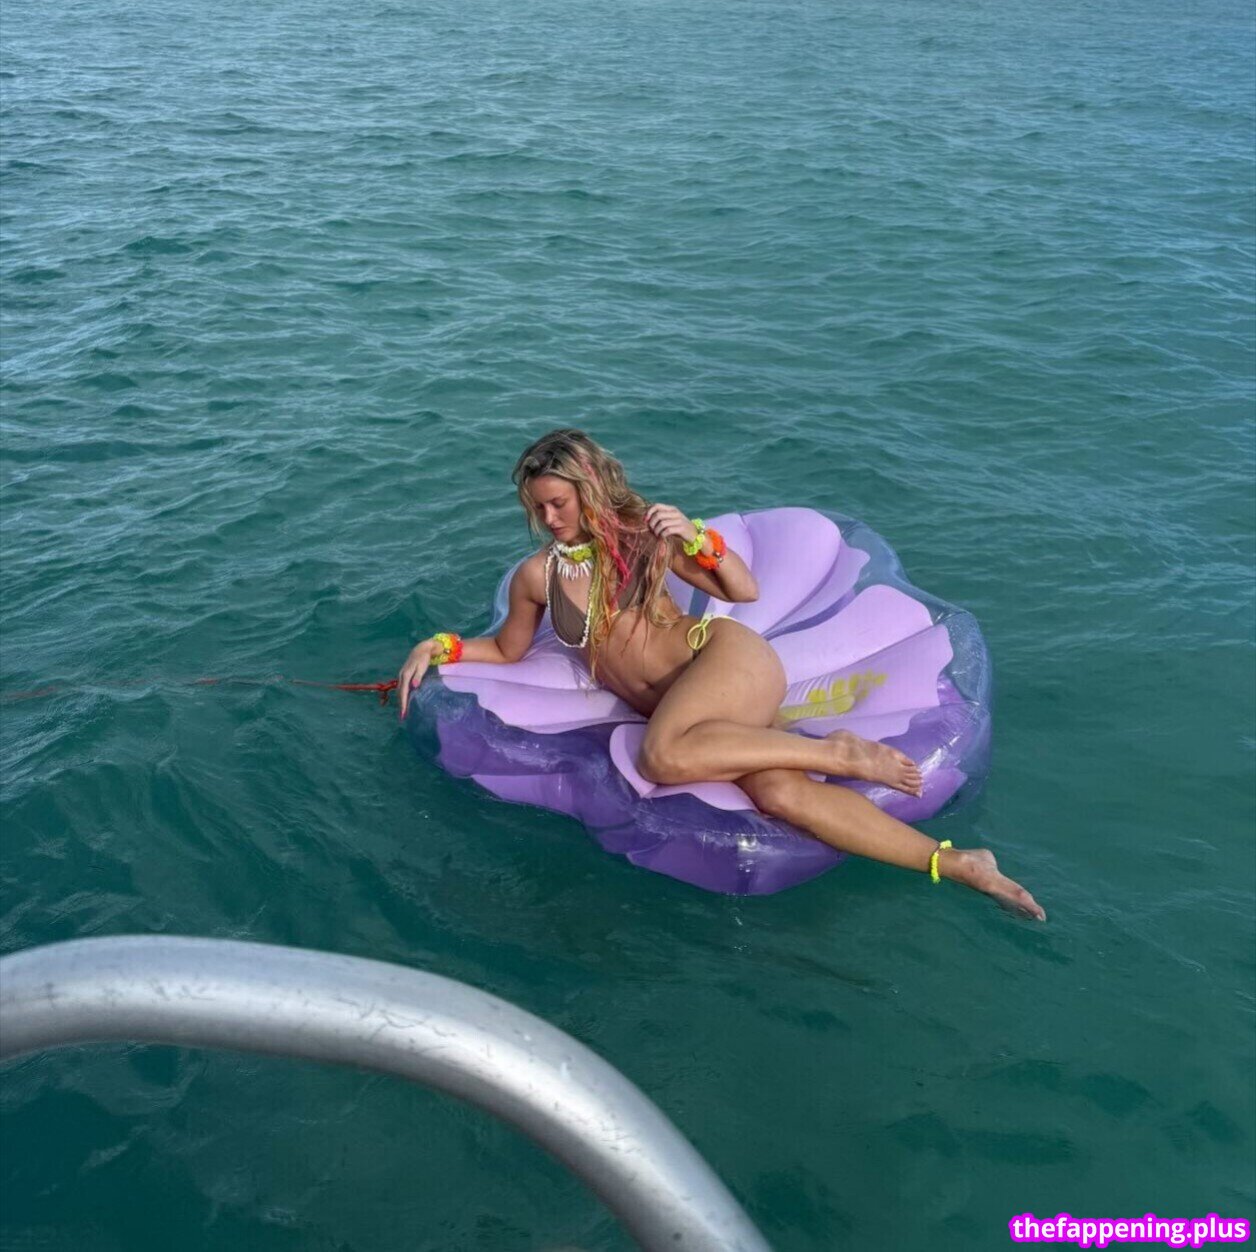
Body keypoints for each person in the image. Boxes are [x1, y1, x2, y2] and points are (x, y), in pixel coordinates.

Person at [398, 429, 1045, 920]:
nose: (550, 519)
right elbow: (506, 649)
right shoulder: (537, 576)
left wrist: (696, 537)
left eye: (559, 503)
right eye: (538, 508)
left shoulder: (641, 536)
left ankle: (840, 752)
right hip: (699, 711)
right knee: (780, 793)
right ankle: (956, 863)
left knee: (661, 755)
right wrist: (440, 646)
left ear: (589, 487)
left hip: (720, 660)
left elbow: (742, 587)